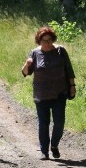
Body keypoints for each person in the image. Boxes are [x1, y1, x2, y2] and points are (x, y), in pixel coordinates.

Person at [21, 26, 76, 160]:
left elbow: (69, 69)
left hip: (60, 92)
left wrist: (72, 85)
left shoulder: (60, 51)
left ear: (53, 39)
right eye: (43, 40)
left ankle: (54, 145)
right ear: (39, 41)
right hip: (41, 94)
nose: (46, 43)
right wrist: (27, 64)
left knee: (59, 122)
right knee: (43, 123)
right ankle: (44, 151)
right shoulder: (34, 53)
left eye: (49, 40)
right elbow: (25, 73)